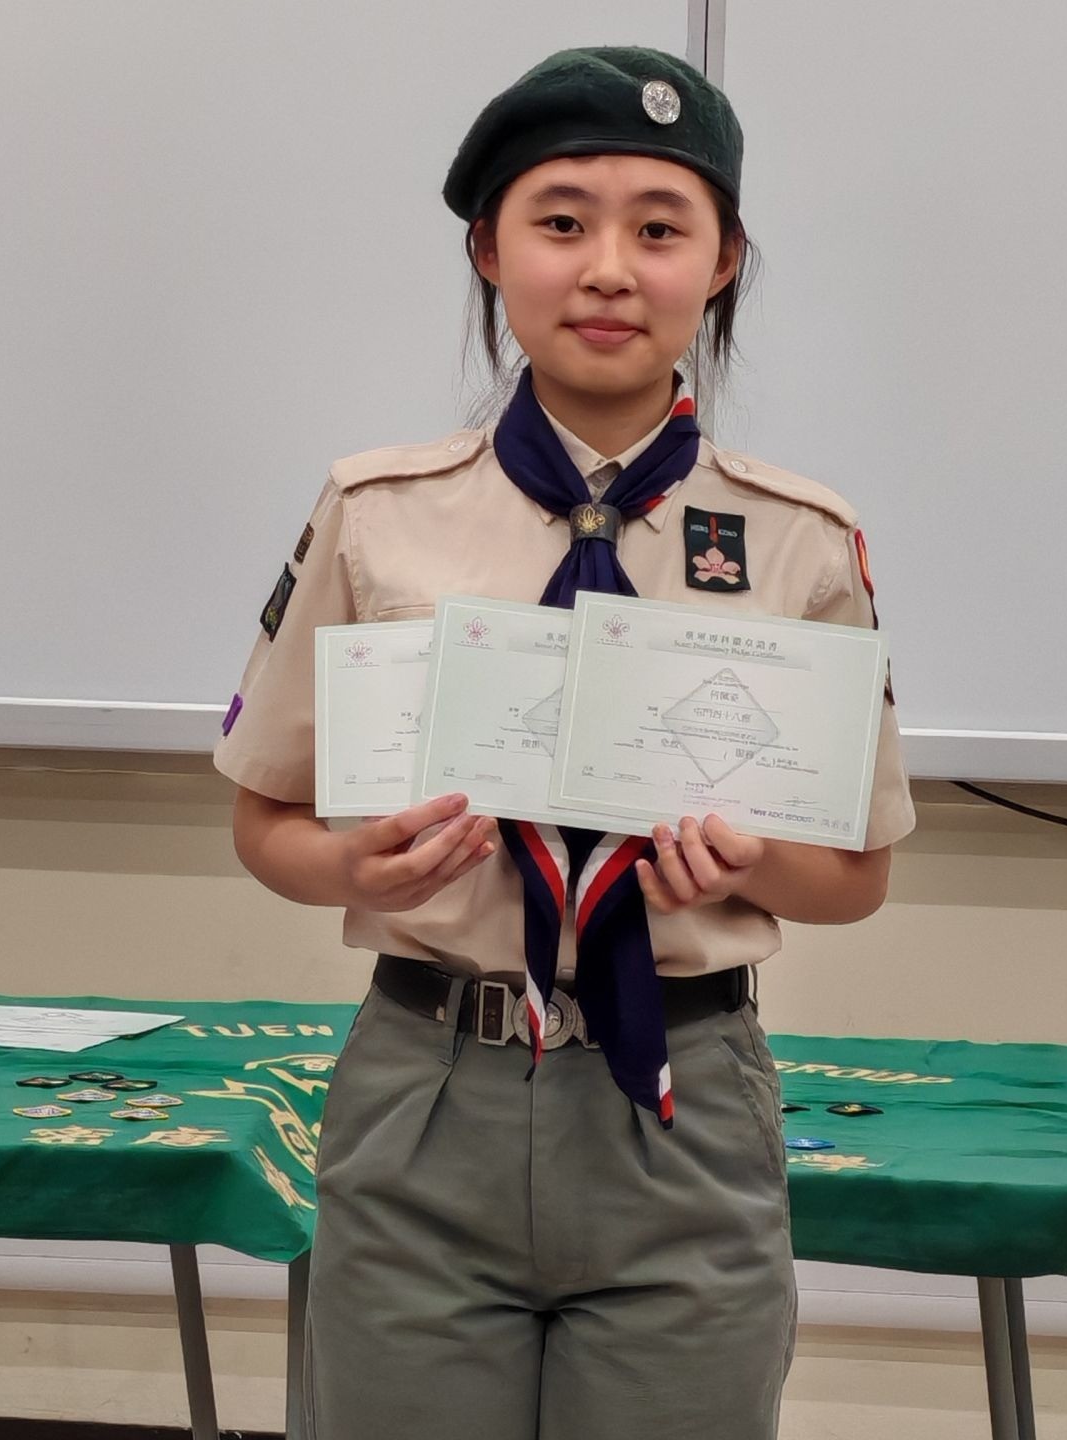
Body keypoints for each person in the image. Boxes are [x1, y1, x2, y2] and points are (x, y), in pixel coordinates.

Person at [214, 45, 915, 1440]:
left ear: (722, 262)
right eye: (561, 222)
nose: (608, 270)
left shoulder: (799, 541)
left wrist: (749, 863)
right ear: (489, 251)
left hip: (682, 1101)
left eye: (659, 229)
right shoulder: (378, 512)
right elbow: (265, 821)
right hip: (428, 1091)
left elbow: (856, 878)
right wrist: (354, 868)